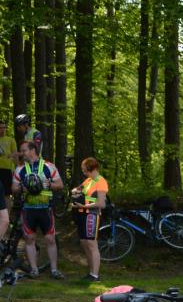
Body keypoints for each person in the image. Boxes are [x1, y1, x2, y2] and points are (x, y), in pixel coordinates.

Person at [12, 141, 64, 278]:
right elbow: (14, 188)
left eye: (24, 150)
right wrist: (21, 187)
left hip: (45, 208)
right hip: (28, 209)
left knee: (50, 239)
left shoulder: (48, 166)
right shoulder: (20, 169)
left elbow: (60, 185)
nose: (22, 153)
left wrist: (49, 184)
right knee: (29, 239)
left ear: (33, 150)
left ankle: (54, 270)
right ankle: (34, 270)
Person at [70, 157, 108, 282]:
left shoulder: (101, 181)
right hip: (81, 214)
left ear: (93, 169)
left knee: (92, 244)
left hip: (92, 214)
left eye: (86, 170)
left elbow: (101, 203)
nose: (84, 172)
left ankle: (95, 275)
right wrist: (75, 192)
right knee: (84, 243)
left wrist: (84, 206)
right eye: (83, 170)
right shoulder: (88, 180)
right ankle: (91, 272)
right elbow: (77, 189)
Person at [0, 120, 16, 197]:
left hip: (7, 169)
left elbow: (15, 154)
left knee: (7, 193)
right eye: (0, 128)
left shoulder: (10, 139)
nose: (2, 130)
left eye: (4, 128)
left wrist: (17, 168)